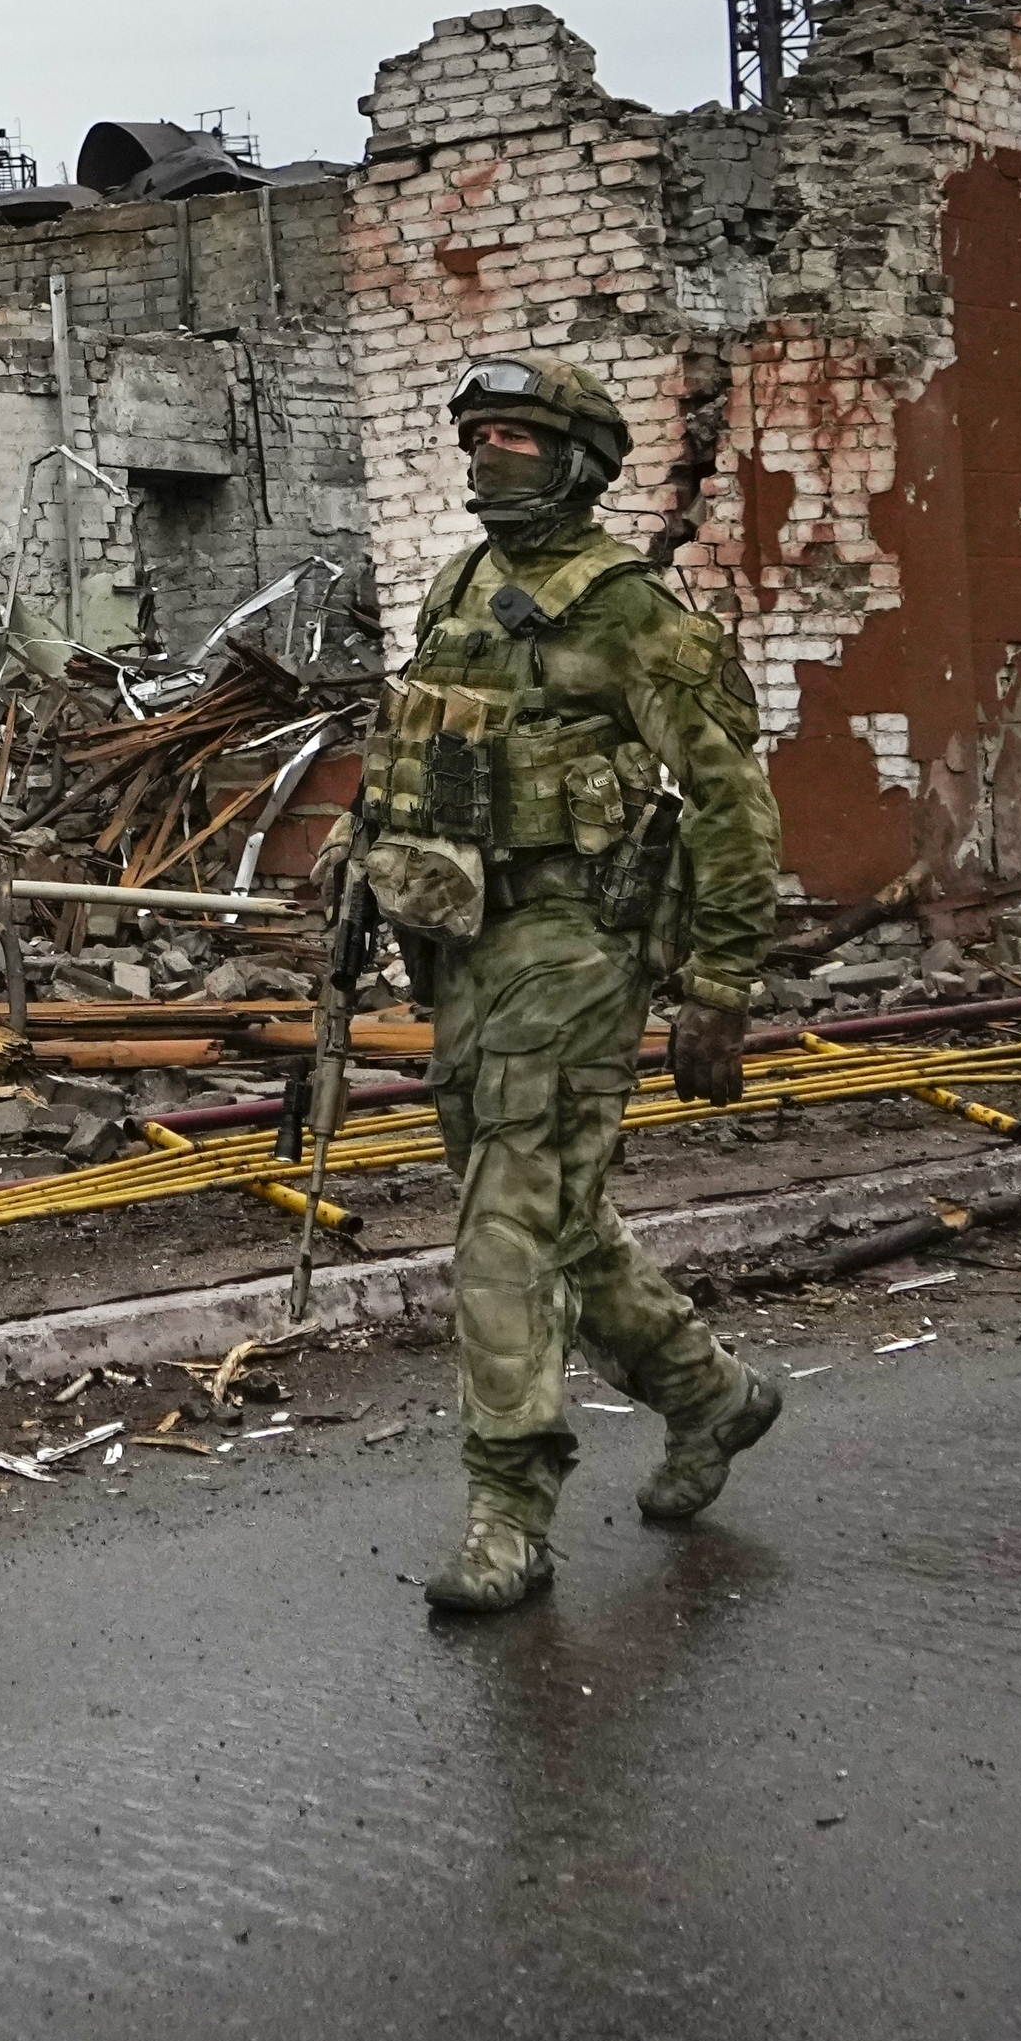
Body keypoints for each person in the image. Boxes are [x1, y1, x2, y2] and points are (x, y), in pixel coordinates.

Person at [357, 351, 786, 1617]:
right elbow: (420, 748)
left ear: (581, 462)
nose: (490, 454)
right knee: (549, 1207)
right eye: (476, 432)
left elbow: (730, 803)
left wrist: (722, 983)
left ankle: (509, 1509)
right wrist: (356, 859)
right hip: (468, 943)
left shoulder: (632, 614)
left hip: (582, 948)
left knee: (503, 1218)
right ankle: (711, 1391)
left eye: (519, 438)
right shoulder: (461, 586)